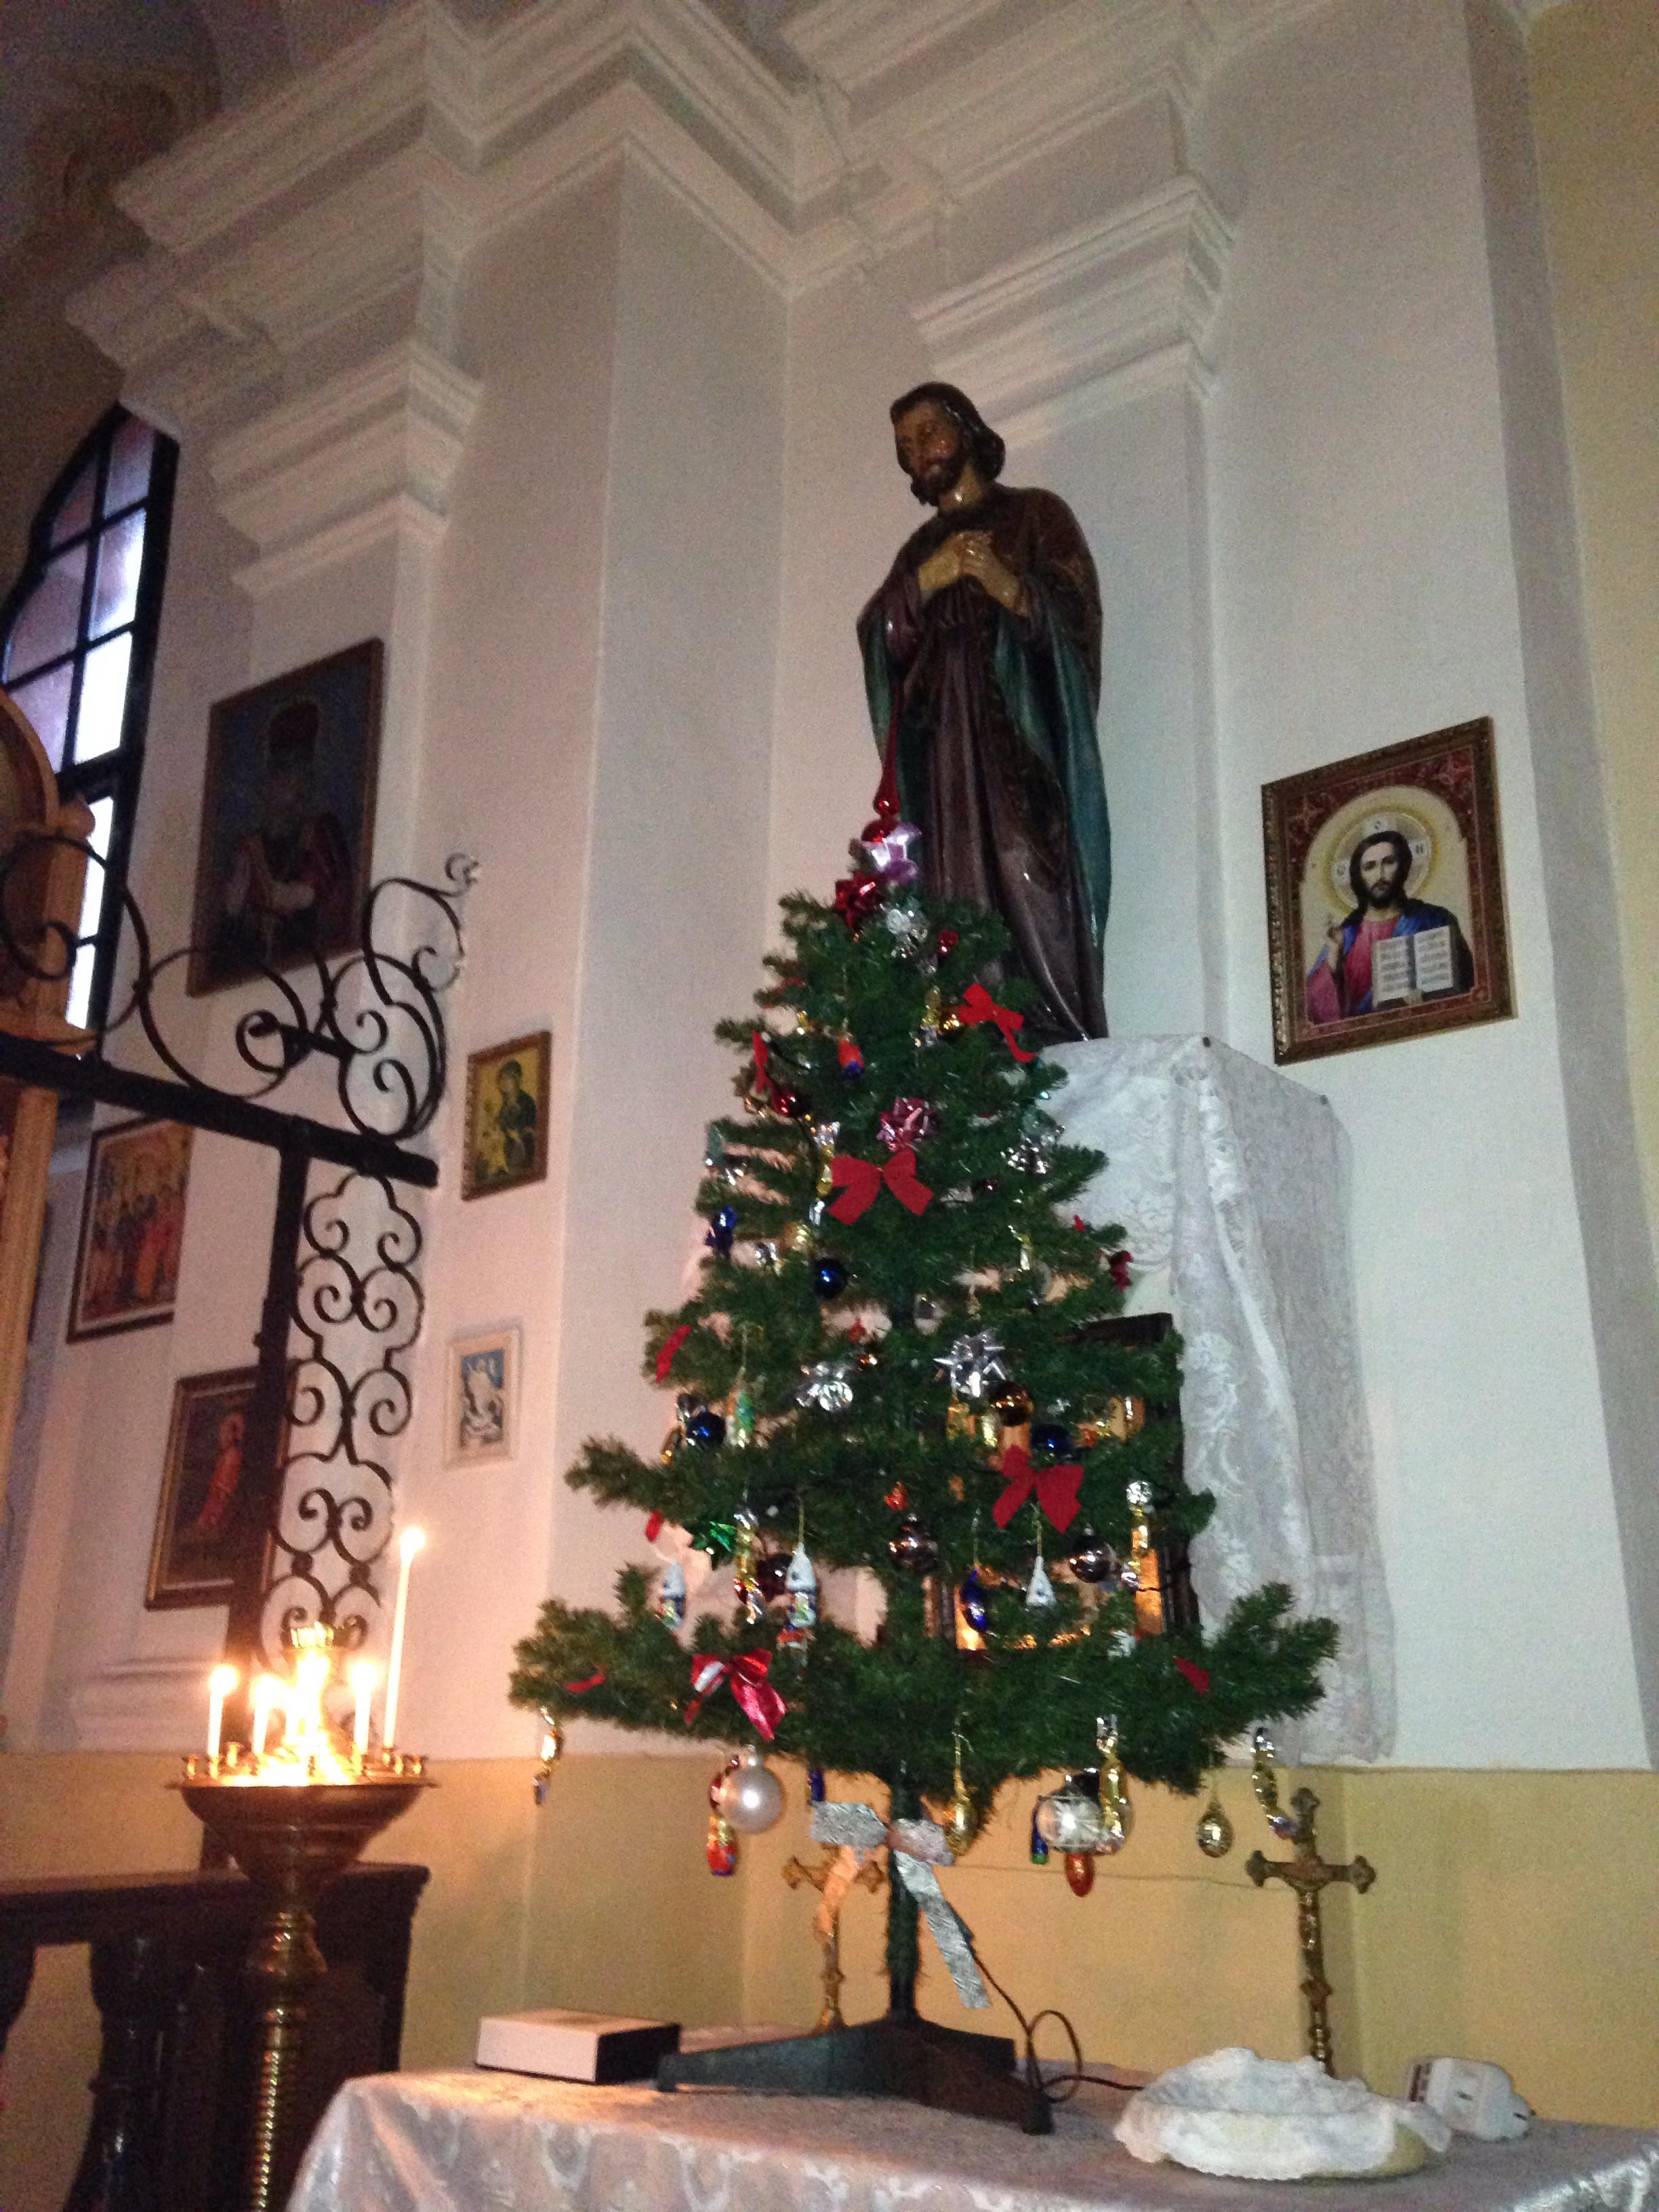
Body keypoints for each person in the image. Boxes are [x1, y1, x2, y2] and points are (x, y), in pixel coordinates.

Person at [858, 383, 1111, 1041]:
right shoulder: (919, 551)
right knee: (953, 883)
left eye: (929, 433)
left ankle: (1051, 1025)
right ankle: (967, 1029)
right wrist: (926, 582)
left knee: (1029, 864)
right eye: (905, 447)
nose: (919, 453)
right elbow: (879, 636)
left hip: (1017, 745)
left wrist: (1008, 588)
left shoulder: (1035, 516)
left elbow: (1075, 617)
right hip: (942, 754)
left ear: (967, 430)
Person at [217, 697, 352, 976]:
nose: (295, 785)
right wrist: (234, 912)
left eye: (302, 773)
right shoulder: (249, 849)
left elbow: (333, 902)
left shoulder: (322, 832)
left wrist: (303, 898)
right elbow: (231, 934)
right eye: (284, 773)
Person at [1306, 828, 1474, 1024]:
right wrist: (1334, 961)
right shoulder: (1346, 935)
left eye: (1389, 862)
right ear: (1359, 876)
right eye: (1369, 867)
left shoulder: (1435, 919)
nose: (1380, 875)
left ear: (1403, 866)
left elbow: (1467, 986)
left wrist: (1429, 1003)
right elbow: (1315, 1012)